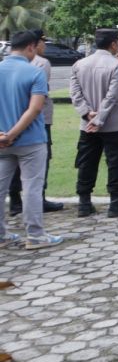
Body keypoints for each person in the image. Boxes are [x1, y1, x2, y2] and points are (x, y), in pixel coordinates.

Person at [0, 30, 62, 249]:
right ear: (30, 47)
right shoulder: (34, 72)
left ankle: (1, 235)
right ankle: (35, 235)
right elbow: (35, 109)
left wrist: (4, 135)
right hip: (30, 141)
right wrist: (13, 134)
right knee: (32, 188)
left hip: (1, 142)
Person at [70, 28, 118, 218]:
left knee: (86, 162)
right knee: (117, 163)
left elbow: (75, 93)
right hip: (113, 124)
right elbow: (113, 95)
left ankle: (84, 202)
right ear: (113, 44)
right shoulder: (117, 64)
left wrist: (87, 113)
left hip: (87, 124)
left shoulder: (80, 64)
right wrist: (99, 118)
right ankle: (115, 203)